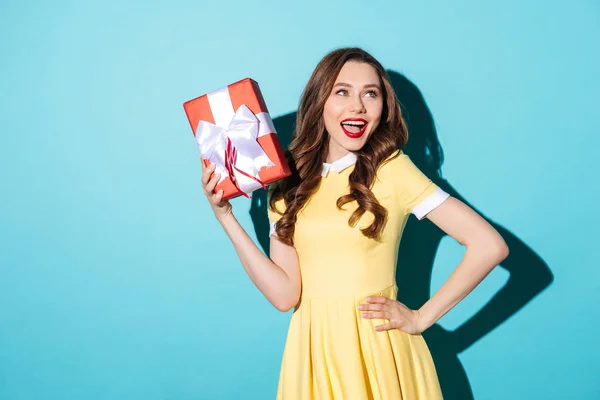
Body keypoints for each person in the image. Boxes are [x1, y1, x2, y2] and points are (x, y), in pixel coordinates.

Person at [200, 47, 509, 399]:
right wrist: (225, 218)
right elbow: (285, 295)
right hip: (313, 355)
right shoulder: (287, 185)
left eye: (371, 93)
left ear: (383, 107)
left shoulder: (392, 169)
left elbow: (489, 246)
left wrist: (421, 318)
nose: (358, 106)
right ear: (320, 102)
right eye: (342, 91)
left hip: (379, 355)